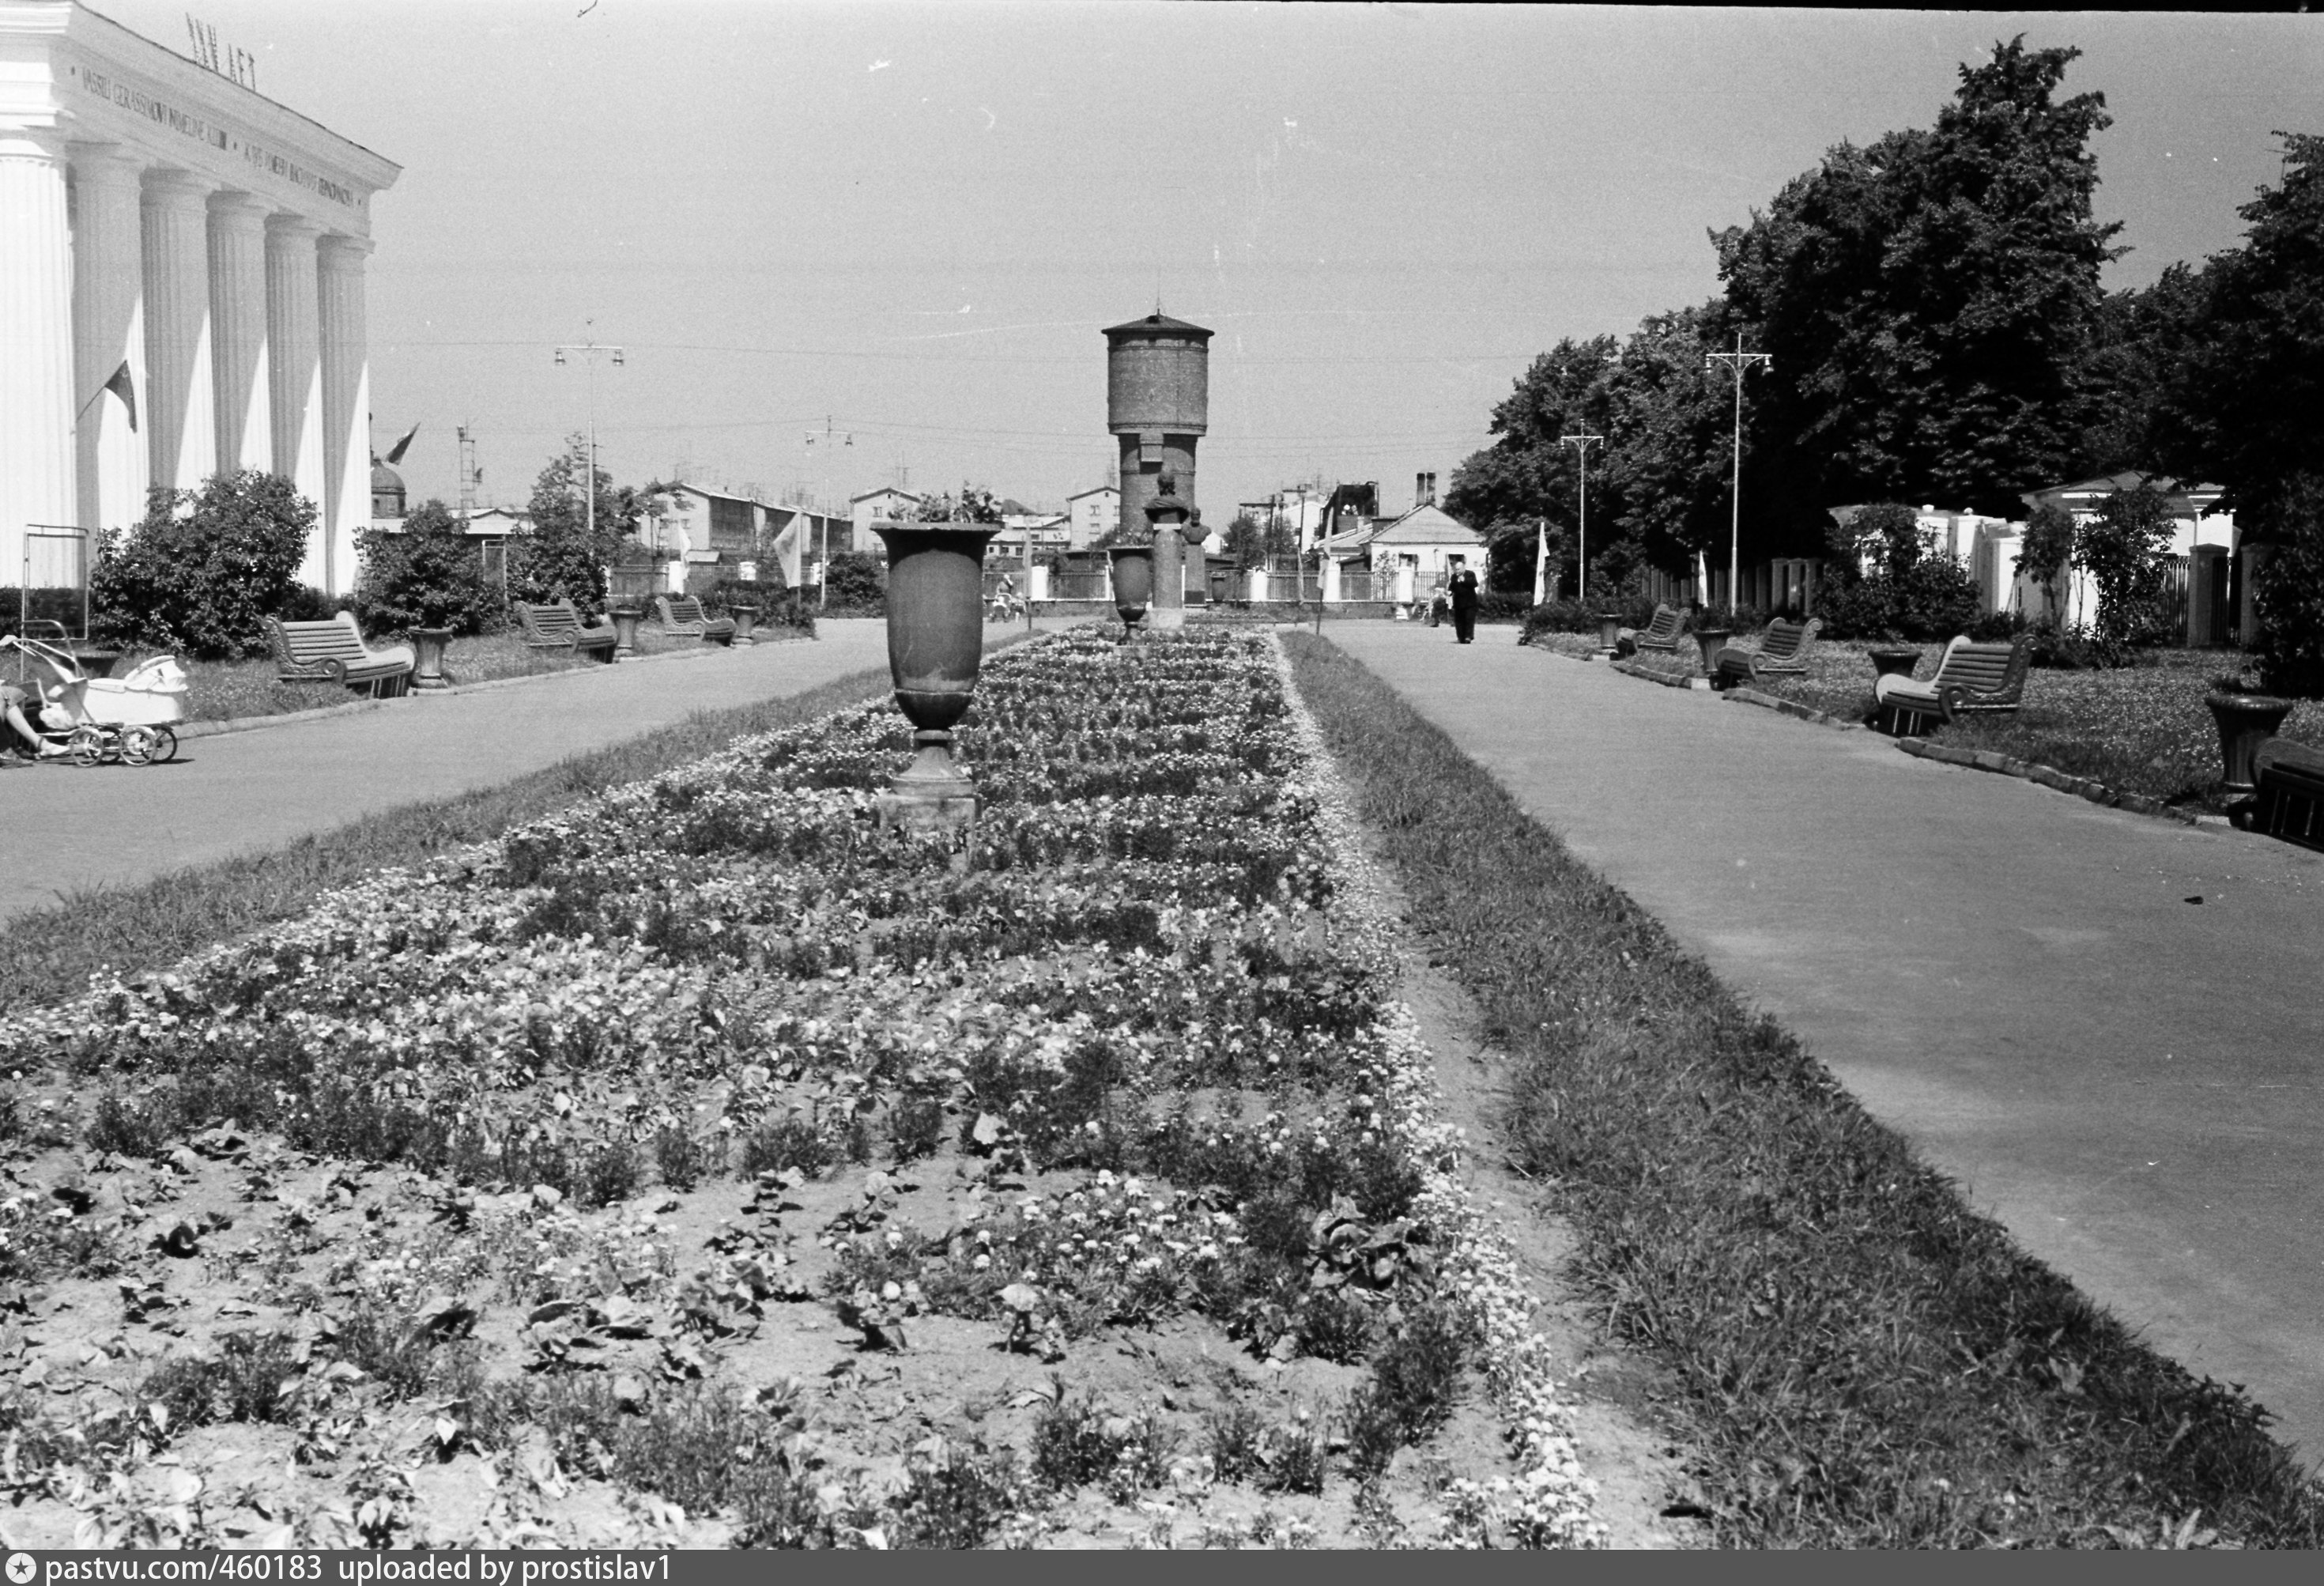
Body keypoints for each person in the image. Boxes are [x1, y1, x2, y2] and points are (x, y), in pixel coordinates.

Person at [1449, 564, 1481, 644]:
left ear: (1463, 568)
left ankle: (1468, 636)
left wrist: (1464, 581)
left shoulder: (1470, 574)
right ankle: (1461, 637)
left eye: (1459, 569)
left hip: (1470, 603)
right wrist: (1449, 591)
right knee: (1459, 621)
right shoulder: (1454, 576)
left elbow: (1475, 584)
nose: (1457, 571)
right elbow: (1451, 586)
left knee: (1469, 620)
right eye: (1456, 569)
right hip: (1458, 603)